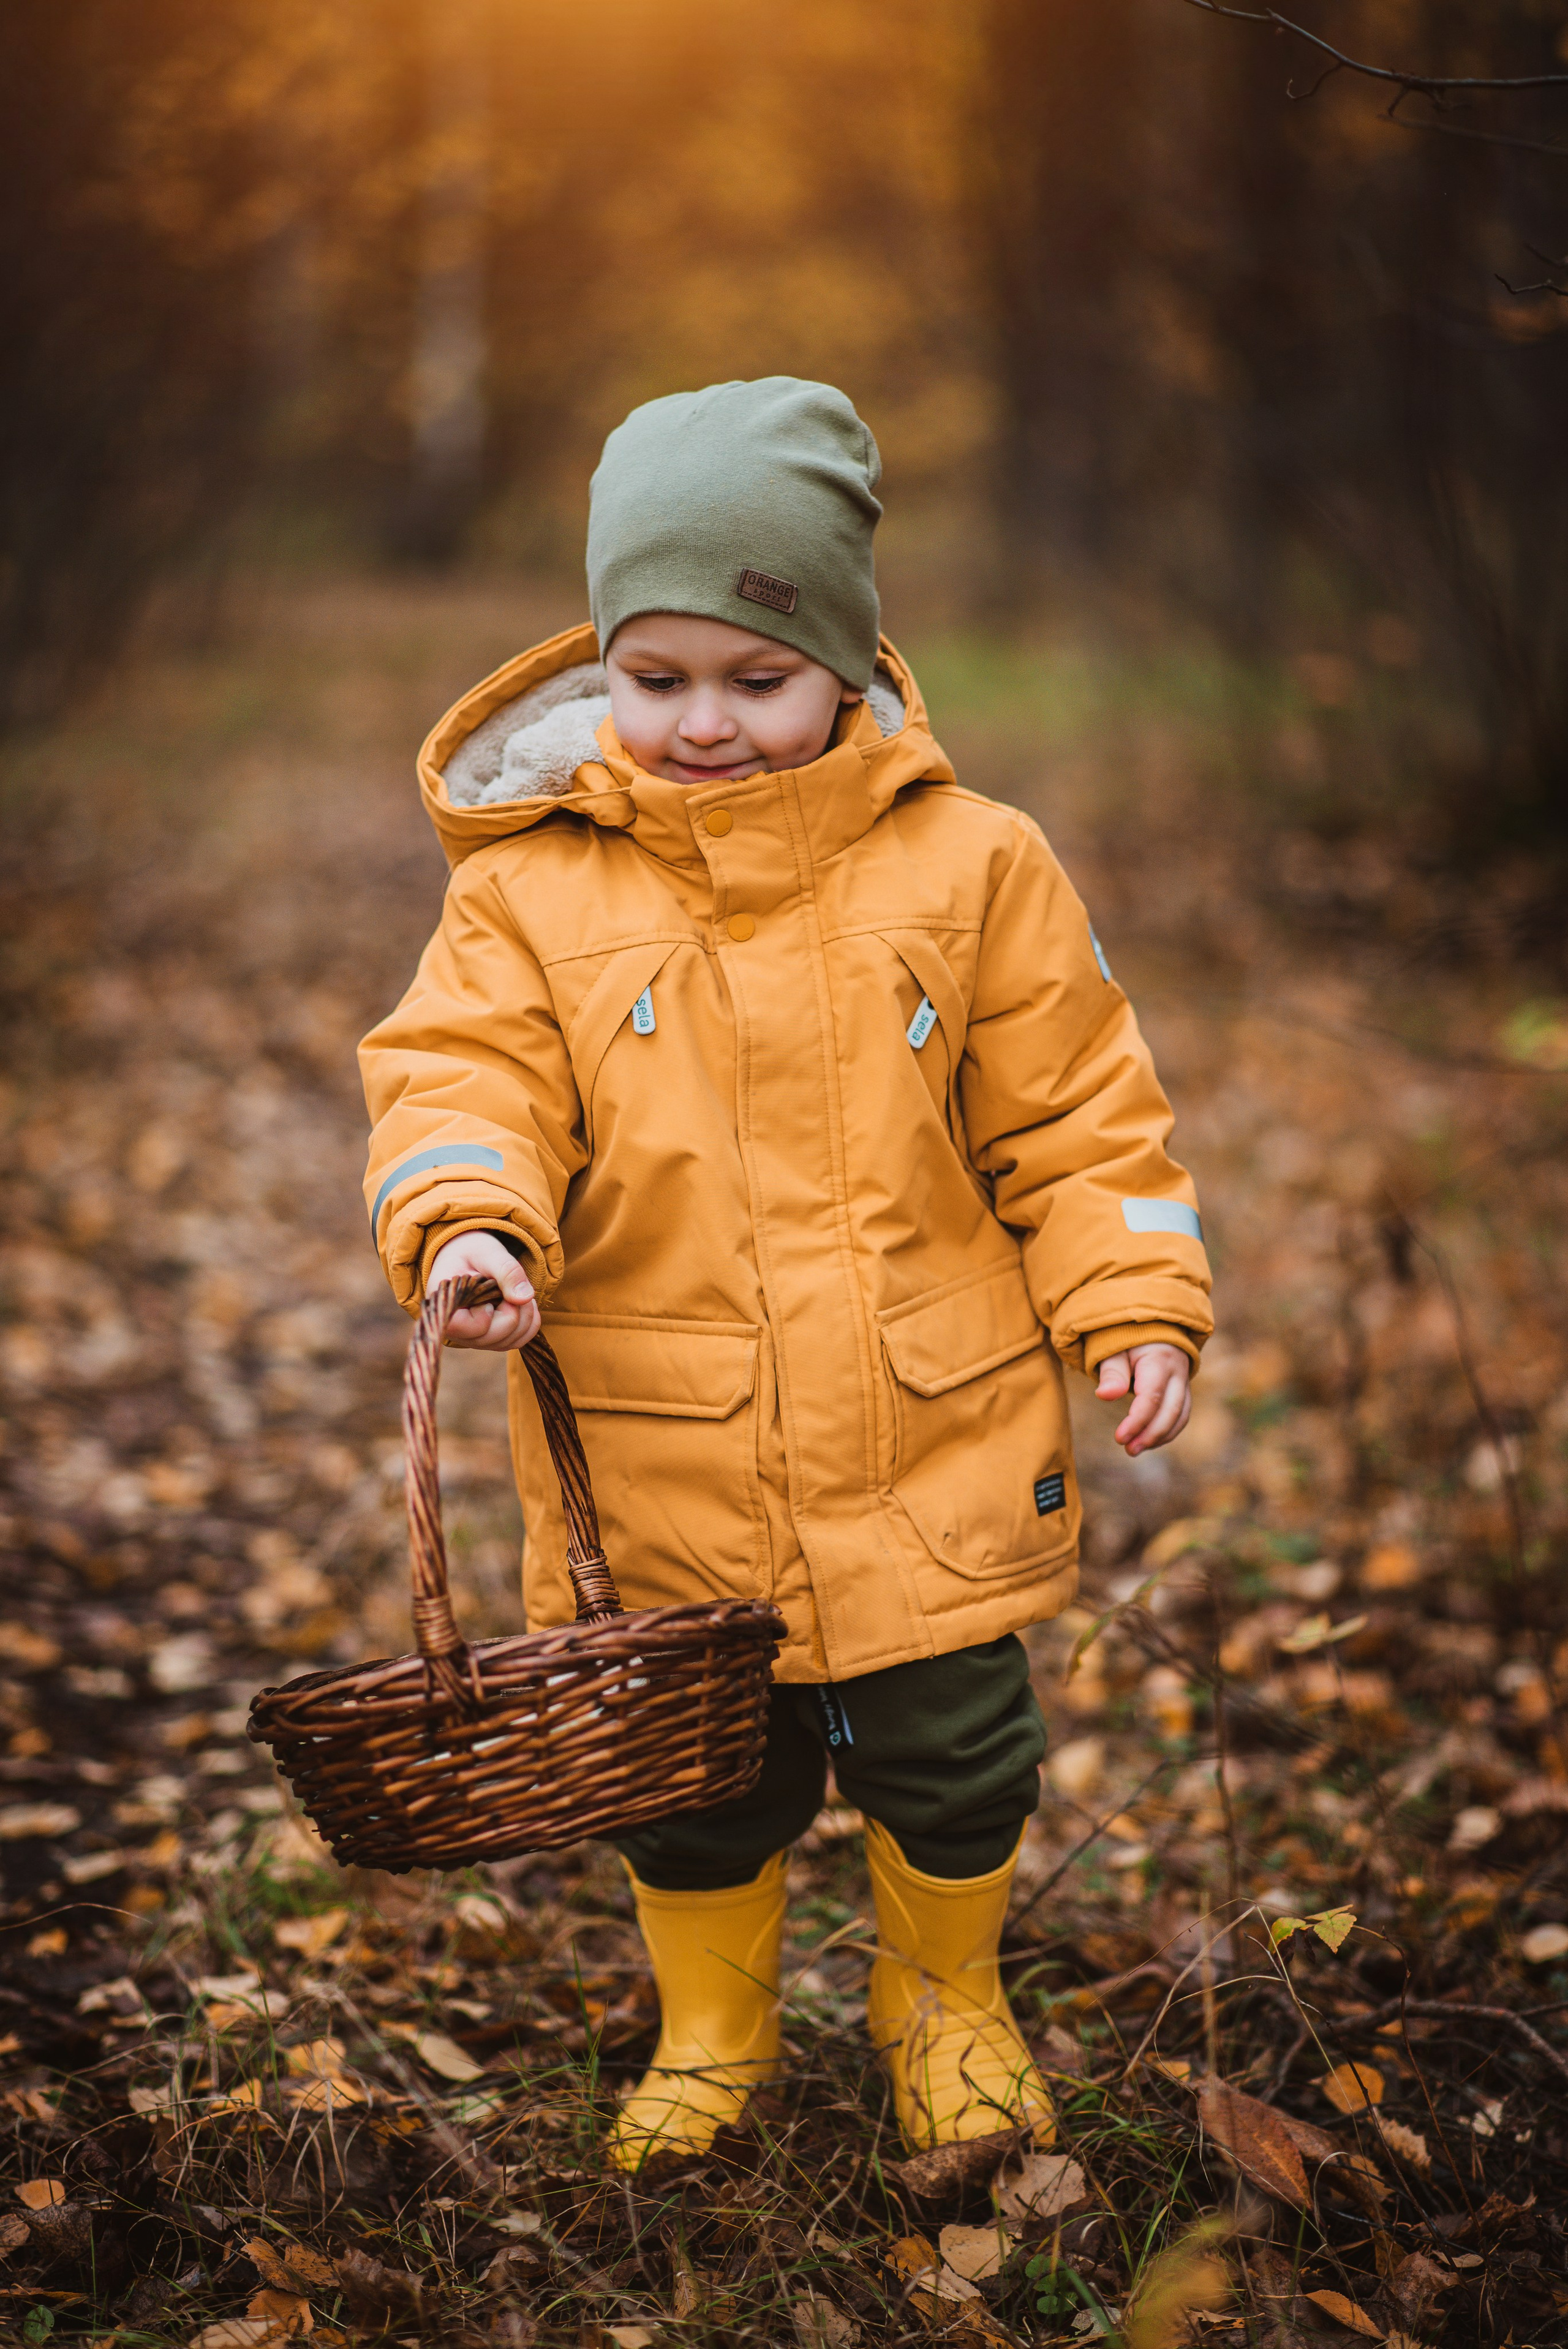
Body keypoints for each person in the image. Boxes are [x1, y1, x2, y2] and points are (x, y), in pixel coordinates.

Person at [361, 376, 1212, 2170]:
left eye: (758, 677)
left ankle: (946, 1998)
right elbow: (462, 1077)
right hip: (666, 1445)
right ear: (605, 666)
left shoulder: (974, 867)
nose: (704, 722)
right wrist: (475, 1221)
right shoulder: (530, 892)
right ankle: (716, 2022)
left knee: (957, 1744)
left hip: (931, 1431)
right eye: (656, 676)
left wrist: (1132, 1297)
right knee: (696, 1782)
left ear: (846, 658)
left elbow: (1077, 1116)